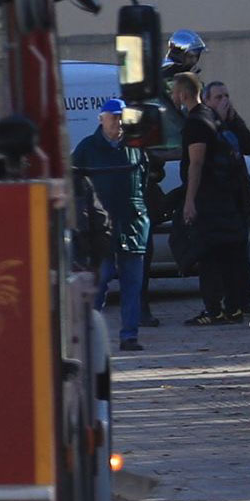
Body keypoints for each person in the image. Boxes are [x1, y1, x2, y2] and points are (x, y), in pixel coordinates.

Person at [72, 96, 150, 351]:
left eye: (121, 117)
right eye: (113, 116)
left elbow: (143, 182)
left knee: (132, 284)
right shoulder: (86, 149)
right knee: (99, 282)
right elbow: (75, 185)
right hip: (99, 228)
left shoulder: (136, 147)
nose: (117, 122)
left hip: (132, 226)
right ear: (101, 119)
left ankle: (130, 336)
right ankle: (88, 336)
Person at [189, 77, 250, 324]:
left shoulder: (231, 124)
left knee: (237, 258)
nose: (224, 101)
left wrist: (235, 119)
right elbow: (198, 161)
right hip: (211, 202)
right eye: (218, 97)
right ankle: (215, 308)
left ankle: (237, 306)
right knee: (211, 257)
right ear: (207, 101)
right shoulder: (204, 124)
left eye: (227, 96)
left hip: (234, 201)